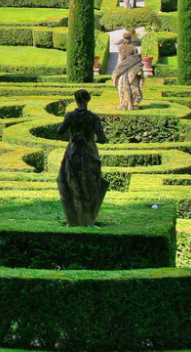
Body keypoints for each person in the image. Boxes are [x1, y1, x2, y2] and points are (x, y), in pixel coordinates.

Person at [56, 89, 108, 226]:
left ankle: (74, 218)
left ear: (76, 100)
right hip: (89, 153)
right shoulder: (93, 117)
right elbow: (102, 138)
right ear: (88, 100)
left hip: (73, 152)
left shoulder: (70, 115)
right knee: (91, 184)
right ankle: (88, 218)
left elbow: (59, 131)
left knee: (72, 182)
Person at [112, 32, 144, 111]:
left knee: (122, 88)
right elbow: (137, 61)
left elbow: (120, 61)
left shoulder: (120, 48)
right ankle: (133, 104)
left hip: (122, 71)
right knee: (133, 88)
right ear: (130, 38)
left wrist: (116, 71)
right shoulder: (134, 48)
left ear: (124, 38)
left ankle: (124, 103)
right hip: (132, 71)